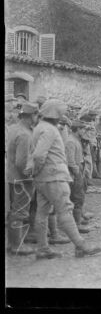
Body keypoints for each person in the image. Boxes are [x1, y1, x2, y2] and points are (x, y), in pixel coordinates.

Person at [30, 99, 101, 259]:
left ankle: (43, 248)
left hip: (43, 178)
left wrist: (36, 173)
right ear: (55, 114)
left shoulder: (40, 127)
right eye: (61, 113)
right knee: (65, 210)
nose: (63, 116)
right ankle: (81, 245)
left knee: (42, 213)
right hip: (54, 176)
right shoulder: (50, 130)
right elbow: (39, 155)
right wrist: (39, 170)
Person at [6, 102, 39, 255]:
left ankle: (12, 243)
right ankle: (16, 246)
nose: (37, 118)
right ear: (30, 116)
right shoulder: (25, 134)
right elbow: (22, 162)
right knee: (19, 211)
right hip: (22, 179)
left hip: (13, 177)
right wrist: (31, 175)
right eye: (36, 115)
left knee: (15, 210)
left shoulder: (14, 128)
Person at [64, 119, 90, 234]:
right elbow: (70, 162)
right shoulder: (70, 141)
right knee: (77, 198)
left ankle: (77, 220)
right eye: (83, 129)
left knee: (79, 197)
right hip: (74, 174)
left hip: (79, 170)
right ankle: (76, 225)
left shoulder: (75, 140)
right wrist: (77, 173)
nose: (84, 131)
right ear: (78, 129)